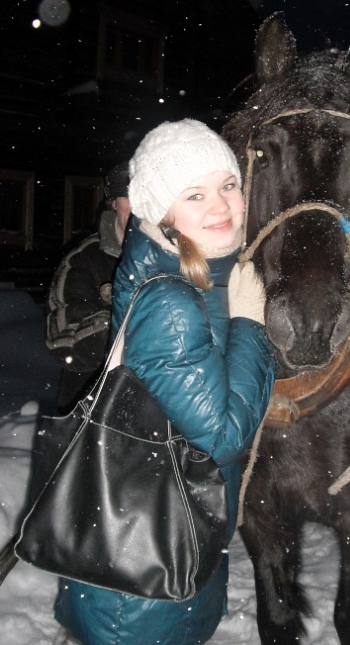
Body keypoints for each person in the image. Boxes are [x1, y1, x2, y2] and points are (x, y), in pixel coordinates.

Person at [54, 119, 277, 645]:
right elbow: (220, 438)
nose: (221, 206)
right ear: (162, 211)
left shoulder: (199, 273)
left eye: (228, 185)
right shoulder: (172, 299)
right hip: (143, 571)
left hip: (173, 539)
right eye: (194, 194)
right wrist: (252, 326)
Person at [45, 162, 131, 412]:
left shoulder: (175, 258)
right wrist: (123, 325)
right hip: (92, 414)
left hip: (158, 419)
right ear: (113, 203)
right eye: (131, 197)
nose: (140, 208)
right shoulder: (84, 260)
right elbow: (62, 339)